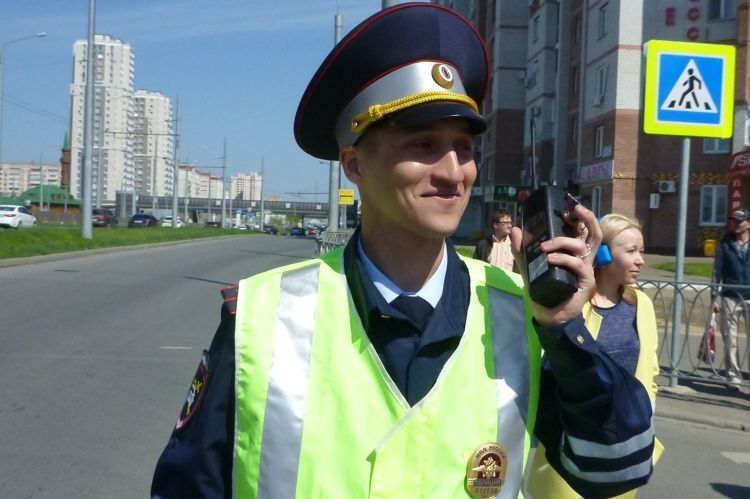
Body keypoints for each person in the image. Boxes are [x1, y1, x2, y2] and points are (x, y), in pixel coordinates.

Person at [151, 4, 654, 498]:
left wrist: (565, 329)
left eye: (464, 147)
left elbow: (616, 468)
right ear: (354, 164)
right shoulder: (262, 317)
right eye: (423, 144)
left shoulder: (519, 312)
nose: (453, 171)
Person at [525, 214, 664, 498]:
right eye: (631, 251)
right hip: (571, 447)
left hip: (623, 448)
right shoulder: (569, 304)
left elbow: (650, 369)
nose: (640, 260)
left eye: (641, 251)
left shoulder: (642, 303)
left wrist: (645, 410)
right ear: (602, 253)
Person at [710, 208, 750, 391]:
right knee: (730, 338)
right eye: (734, 220)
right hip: (729, 297)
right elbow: (716, 271)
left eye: (739, 221)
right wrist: (714, 297)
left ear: (748, 224)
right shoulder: (725, 243)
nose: (735, 224)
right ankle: (732, 375)